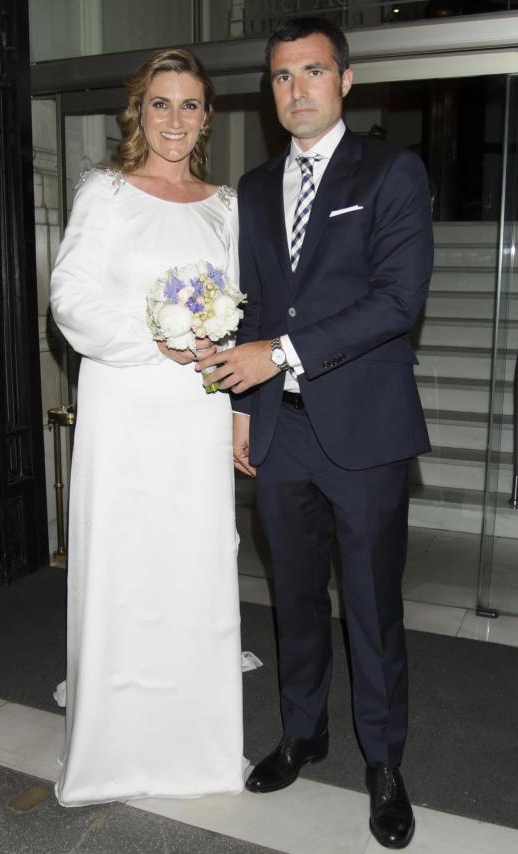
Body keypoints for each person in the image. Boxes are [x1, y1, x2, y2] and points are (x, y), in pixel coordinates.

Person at [197, 16, 433, 850]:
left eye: (311, 72)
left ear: (345, 79)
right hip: (281, 429)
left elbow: (397, 301)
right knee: (293, 600)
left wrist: (281, 352)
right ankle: (304, 734)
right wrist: (237, 407)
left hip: (365, 430)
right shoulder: (255, 188)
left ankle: (384, 763)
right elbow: (254, 305)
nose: (295, 90)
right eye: (281, 77)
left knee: (371, 609)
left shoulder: (392, 172)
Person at [50, 47, 244, 806]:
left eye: (189, 105)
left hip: (195, 410)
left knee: (190, 559)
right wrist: (150, 335)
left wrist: (231, 406)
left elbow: (234, 318)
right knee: (128, 559)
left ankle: (193, 739)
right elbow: (70, 299)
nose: (174, 119)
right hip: (126, 403)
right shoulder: (106, 192)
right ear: (139, 112)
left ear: (206, 118)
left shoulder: (224, 206)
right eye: (160, 103)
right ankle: (119, 738)